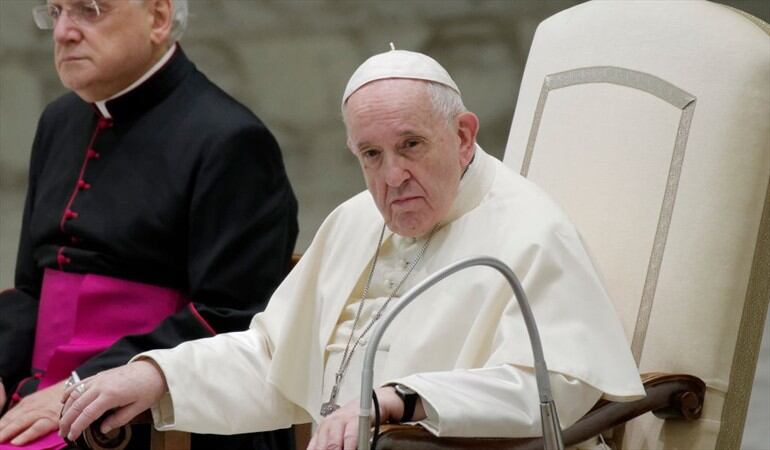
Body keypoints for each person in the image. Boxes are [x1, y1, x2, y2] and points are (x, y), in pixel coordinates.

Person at [59, 48, 645, 449]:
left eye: (411, 144)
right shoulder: (354, 221)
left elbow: (554, 387)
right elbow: (275, 360)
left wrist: (400, 400)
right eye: (371, 154)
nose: (392, 177)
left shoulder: (528, 230)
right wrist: (157, 376)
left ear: (463, 135)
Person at [0, 0, 298, 449]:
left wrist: (85, 383)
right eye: (56, 11)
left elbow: (232, 316)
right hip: (42, 389)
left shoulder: (231, 140)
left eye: (89, 10)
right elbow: (31, 290)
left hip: (151, 413)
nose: (63, 32)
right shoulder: (59, 121)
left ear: (157, 19)